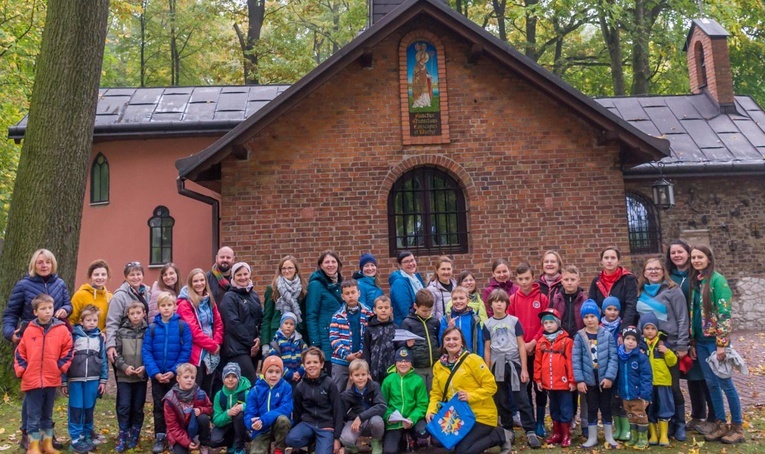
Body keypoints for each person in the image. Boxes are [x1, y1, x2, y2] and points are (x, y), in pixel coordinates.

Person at [3, 249, 72, 450]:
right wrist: (11, 334)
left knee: (48, 394)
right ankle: (27, 433)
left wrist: (65, 310)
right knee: (32, 392)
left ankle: (46, 436)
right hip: (30, 338)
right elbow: (10, 314)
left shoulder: (59, 284)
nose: (44, 265)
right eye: (40, 262)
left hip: (53, 339)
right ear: (34, 264)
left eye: (47, 262)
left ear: (53, 264)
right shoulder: (23, 285)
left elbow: (68, 304)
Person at [426, 326, 513, 454]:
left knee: (463, 451)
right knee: (438, 442)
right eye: (448, 339)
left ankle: (500, 435)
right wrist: (431, 410)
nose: (451, 342)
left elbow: (491, 387)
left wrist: (470, 396)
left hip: (481, 415)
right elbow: (436, 393)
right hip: (457, 416)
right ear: (443, 343)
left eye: (455, 339)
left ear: (462, 341)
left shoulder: (473, 360)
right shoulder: (439, 365)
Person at [689, 245, 745, 444]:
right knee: (711, 383)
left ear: (709, 258)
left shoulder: (717, 280)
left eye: (700, 257)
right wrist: (693, 341)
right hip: (701, 342)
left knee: (725, 383)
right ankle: (720, 423)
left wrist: (722, 344)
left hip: (715, 342)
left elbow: (724, 314)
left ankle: (737, 426)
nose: (696, 260)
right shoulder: (696, 281)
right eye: (693, 257)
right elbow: (694, 313)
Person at [637, 257, 690, 440]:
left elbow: (683, 318)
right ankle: (659, 424)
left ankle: (679, 423)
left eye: (657, 268)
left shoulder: (673, 291)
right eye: (649, 269)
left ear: (663, 271)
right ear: (644, 273)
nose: (653, 271)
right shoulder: (641, 291)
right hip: (647, 348)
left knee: (672, 387)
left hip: (669, 346)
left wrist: (683, 344)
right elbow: (639, 320)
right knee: (653, 389)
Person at [14, 294, 74, 454]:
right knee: (33, 415)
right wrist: (22, 370)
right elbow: (20, 352)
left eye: (50, 308)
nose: (47, 311)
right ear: (35, 312)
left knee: (47, 414)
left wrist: (60, 366)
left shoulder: (61, 329)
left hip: (51, 378)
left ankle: (47, 444)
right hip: (32, 379)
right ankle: (33, 447)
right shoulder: (29, 330)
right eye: (43, 309)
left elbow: (68, 349)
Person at [667, 240, 715, 437]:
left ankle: (713, 417)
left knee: (704, 376)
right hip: (679, 332)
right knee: (691, 376)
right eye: (673, 253)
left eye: (680, 252)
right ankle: (697, 414)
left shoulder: (697, 277)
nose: (677, 255)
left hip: (696, 331)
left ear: (688, 253)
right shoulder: (669, 277)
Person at [482, 289, 541, 449]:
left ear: (507, 304)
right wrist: (488, 370)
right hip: (497, 366)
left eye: (502, 301)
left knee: (522, 398)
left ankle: (530, 431)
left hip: (514, 365)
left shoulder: (514, 321)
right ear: (491, 304)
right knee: (502, 400)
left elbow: (521, 345)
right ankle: (507, 430)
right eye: (496, 301)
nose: (499, 304)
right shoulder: (487, 324)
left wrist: (524, 369)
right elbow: (487, 349)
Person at [143, 291, 193, 454]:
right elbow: (147, 351)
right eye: (163, 305)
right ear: (158, 308)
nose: (166, 308)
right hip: (157, 376)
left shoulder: (182, 326)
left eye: (169, 305)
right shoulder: (151, 328)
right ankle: (160, 435)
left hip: (174, 376)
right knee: (158, 406)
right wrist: (155, 373)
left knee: (176, 407)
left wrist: (173, 372)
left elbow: (186, 350)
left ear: (175, 307)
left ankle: (175, 437)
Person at [508, 262, 548, 437]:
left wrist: (533, 342)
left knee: (540, 386)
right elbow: (510, 324)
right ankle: (530, 422)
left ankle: (540, 422)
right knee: (525, 386)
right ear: (516, 280)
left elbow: (546, 324)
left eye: (527, 278)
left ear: (533, 278)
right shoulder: (512, 300)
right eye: (520, 279)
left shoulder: (542, 299)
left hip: (538, 349)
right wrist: (522, 345)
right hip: (520, 350)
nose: (524, 282)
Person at [572, 300, 618, 449]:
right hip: (588, 380)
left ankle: (609, 436)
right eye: (586, 317)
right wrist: (579, 380)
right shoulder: (579, 336)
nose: (589, 320)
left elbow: (613, 357)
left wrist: (610, 376)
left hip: (604, 379)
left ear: (598, 317)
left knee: (606, 407)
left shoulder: (607, 335)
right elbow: (576, 359)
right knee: (591, 408)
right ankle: (592, 437)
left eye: (592, 316)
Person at [63, 305, 108, 454]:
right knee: (76, 407)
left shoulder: (100, 338)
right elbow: (65, 358)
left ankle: (87, 433)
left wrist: (103, 379)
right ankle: (76, 437)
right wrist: (64, 380)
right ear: (82, 321)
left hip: (93, 378)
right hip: (76, 378)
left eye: (95, 320)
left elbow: (103, 360)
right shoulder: (74, 335)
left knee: (89, 407)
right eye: (88, 320)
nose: (92, 323)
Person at [549, 265, 586, 437]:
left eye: (573, 279)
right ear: (561, 280)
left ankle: (572, 417)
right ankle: (562, 420)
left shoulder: (584, 299)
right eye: (566, 279)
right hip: (560, 345)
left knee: (575, 381)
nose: (569, 283)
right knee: (562, 383)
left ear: (578, 280)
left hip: (578, 344)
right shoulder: (556, 298)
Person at [285, 347, 344, 454]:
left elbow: (338, 411)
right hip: (308, 423)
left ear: (321, 364)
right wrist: (297, 429)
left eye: (315, 362)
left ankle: (321, 443)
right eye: (308, 362)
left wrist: (337, 438)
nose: (312, 365)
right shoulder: (300, 387)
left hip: (326, 426)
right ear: (304, 365)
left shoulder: (330, 384)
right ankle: (311, 442)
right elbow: (297, 411)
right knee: (291, 439)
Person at [176, 268, 224, 396]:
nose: (199, 283)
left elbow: (218, 323)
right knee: (196, 390)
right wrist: (212, 345)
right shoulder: (185, 304)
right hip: (196, 353)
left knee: (208, 390)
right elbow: (193, 330)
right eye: (195, 281)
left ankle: (205, 414)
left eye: (202, 280)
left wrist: (217, 342)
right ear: (190, 283)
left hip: (212, 352)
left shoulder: (209, 300)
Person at [534, 308, 575, 447]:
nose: (549, 325)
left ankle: (566, 435)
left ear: (558, 323)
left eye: (551, 322)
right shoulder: (541, 341)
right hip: (549, 383)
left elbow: (570, 361)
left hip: (563, 384)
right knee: (553, 408)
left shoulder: (566, 341)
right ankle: (557, 433)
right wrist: (538, 379)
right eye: (546, 323)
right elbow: (537, 362)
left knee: (565, 408)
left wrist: (571, 380)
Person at [219, 262, 263, 384]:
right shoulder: (229, 297)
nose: (243, 277)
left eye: (245, 274)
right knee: (252, 383)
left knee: (247, 386)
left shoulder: (253, 295)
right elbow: (233, 324)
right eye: (239, 275)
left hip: (253, 348)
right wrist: (251, 343)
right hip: (237, 349)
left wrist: (259, 338)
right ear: (233, 277)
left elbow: (261, 319)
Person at [113, 301, 148, 452]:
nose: (135, 316)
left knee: (138, 407)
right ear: (128, 315)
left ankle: (135, 432)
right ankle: (123, 433)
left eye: (138, 313)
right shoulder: (121, 332)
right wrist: (124, 367)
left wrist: (145, 368)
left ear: (144, 314)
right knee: (124, 406)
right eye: (132, 313)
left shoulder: (148, 331)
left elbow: (150, 352)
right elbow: (116, 354)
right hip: (124, 377)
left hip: (140, 377)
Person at [381, 347, 429, 453]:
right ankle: (402, 439)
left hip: (413, 420)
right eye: (400, 361)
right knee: (389, 451)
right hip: (395, 422)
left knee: (423, 436)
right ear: (395, 363)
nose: (403, 364)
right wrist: (388, 416)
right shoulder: (388, 380)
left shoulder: (418, 380)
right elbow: (382, 403)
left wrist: (412, 418)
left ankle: (414, 439)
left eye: (407, 361)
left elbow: (422, 404)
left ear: (411, 363)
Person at [639, 312, 676, 446]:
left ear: (657, 330)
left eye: (653, 328)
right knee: (650, 409)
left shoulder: (663, 344)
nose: (650, 331)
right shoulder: (640, 345)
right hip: (647, 384)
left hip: (662, 382)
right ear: (642, 330)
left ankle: (664, 435)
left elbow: (672, 362)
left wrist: (667, 352)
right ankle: (653, 435)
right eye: (647, 328)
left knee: (664, 408)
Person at [329, 279, 373, 391]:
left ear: (359, 293)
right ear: (343, 296)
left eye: (353, 292)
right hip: (341, 361)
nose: (351, 296)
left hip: (362, 360)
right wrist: (346, 354)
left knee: (362, 390)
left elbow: (370, 336)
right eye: (347, 294)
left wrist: (362, 352)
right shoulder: (337, 316)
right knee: (338, 390)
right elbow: (334, 338)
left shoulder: (368, 313)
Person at [245, 356, 293, 454]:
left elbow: (286, 408)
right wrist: (252, 423)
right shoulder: (255, 390)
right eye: (270, 371)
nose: (274, 375)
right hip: (261, 429)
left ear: (282, 373)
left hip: (278, 427)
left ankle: (279, 449)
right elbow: (249, 413)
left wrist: (264, 419)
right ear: (264, 372)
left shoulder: (286, 387)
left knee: (283, 419)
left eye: (277, 372)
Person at [306, 250, 344, 373]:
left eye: (333, 261)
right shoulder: (316, 285)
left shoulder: (341, 285)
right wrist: (315, 343)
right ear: (321, 265)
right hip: (324, 341)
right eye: (327, 262)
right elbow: (311, 315)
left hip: (339, 338)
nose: (330, 265)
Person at [163, 363, 213, 454]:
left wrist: (201, 410)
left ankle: (204, 444)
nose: (189, 380)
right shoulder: (170, 399)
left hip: (195, 427)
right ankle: (180, 444)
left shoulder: (200, 393)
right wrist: (187, 442)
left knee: (204, 418)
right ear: (178, 379)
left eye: (192, 377)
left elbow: (210, 409)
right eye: (186, 377)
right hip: (179, 432)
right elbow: (173, 426)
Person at [339, 359, 387, 454]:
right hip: (355, 424)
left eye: (363, 374)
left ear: (368, 375)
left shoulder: (375, 386)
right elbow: (341, 415)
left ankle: (376, 441)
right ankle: (352, 447)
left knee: (378, 422)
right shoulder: (346, 395)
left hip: (371, 420)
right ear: (351, 377)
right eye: (356, 375)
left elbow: (382, 406)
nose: (360, 378)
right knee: (345, 438)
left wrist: (361, 417)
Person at [106, 262, 150, 364]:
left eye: (138, 274)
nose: (135, 277)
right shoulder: (119, 296)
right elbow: (112, 323)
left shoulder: (147, 293)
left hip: (141, 343)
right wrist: (111, 345)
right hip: (124, 345)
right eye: (132, 275)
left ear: (143, 275)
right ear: (126, 277)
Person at [616, 326, 652, 449]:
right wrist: (618, 390)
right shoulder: (619, 356)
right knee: (630, 415)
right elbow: (618, 375)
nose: (630, 341)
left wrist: (644, 394)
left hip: (637, 394)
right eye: (628, 339)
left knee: (640, 415)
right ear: (623, 340)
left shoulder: (641, 358)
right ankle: (633, 436)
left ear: (637, 342)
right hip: (625, 393)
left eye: (633, 339)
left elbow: (646, 377)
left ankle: (643, 438)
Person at [261, 255, 307, 348]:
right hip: (276, 334)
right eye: (284, 268)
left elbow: (305, 316)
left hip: (297, 334)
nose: (287, 271)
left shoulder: (303, 289)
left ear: (296, 270)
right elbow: (266, 318)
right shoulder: (272, 289)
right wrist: (265, 343)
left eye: (290, 268)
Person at [588, 246, 638, 331]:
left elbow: (631, 306)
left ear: (618, 261)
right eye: (606, 258)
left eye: (613, 258)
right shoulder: (596, 281)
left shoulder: (628, 279)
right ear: (601, 261)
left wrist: (623, 330)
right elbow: (592, 305)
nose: (609, 261)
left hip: (623, 326)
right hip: (602, 328)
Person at [401, 289, 440, 391]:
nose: (427, 313)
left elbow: (438, 340)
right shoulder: (407, 322)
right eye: (424, 310)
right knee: (421, 393)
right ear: (415, 306)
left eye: (429, 310)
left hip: (434, 366)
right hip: (417, 367)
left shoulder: (434, 321)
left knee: (433, 393)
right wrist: (407, 344)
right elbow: (400, 344)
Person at [211, 362, 251, 454]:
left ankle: (239, 447)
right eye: (227, 376)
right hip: (226, 424)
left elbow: (254, 409)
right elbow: (216, 419)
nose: (230, 379)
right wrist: (228, 413)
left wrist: (243, 407)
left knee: (239, 415)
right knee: (214, 441)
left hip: (241, 425)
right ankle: (230, 445)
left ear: (238, 378)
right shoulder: (219, 395)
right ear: (223, 378)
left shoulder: (246, 393)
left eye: (234, 376)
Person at [363, 295, 398, 383]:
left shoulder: (395, 328)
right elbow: (366, 350)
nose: (383, 310)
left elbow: (398, 348)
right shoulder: (369, 329)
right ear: (374, 310)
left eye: (386, 307)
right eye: (380, 307)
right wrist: (367, 370)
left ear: (391, 310)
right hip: (374, 369)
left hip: (391, 369)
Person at [266, 312, 307, 387]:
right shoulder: (276, 343)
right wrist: (289, 374)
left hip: (300, 379)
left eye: (291, 324)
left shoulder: (300, 342)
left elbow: (306, 358)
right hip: (283, 380)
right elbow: (275, 362)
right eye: (286, 323)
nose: (288, 326)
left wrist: (300, 372)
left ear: (295, 326)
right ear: (281, 325)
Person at [439, 286, 483, 356]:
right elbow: (441, 339)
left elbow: (479, 341)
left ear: (467, 300)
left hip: (469, 356)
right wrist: (449, 327)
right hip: (451, 357)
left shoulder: (474, 319)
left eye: (461, 298)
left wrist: (480, 358)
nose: (458, 301)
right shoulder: (446, 318)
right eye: (455, 299)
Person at [69, 259, 112, 330]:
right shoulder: (80, 295)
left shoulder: (110, 297)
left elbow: (111, 321)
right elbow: (71, 319)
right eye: (96, 275)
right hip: (81, 337)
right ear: (90, 276)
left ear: (107, 276)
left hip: (101, 339)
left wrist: (104, 332)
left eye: (103, 274)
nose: (100, 277)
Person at [389, 250, 425, 326]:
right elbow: (405, 311)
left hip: (419, 323)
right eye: (406, 262)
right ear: (399, 265)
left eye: (412, 260)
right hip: (407, 327)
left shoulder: (416, 279)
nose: (411, 264)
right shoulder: (399, 283)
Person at [427, 256, 457, 321]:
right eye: (443, 269)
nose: (446, 272)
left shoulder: (457, 287)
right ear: (437, 271)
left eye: (448, 269)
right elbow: (431, 314)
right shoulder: (431, 290)